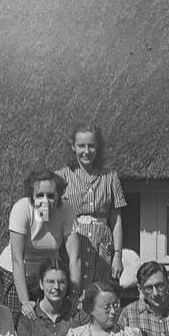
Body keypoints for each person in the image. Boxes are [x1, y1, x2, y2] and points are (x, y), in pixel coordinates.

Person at [56, 124, 127, 294]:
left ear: (98, 147)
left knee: (99, 294)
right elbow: (47, 212)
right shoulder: (62, 176)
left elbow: (116, 219)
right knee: (72, 292)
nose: (86, 151)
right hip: (72, 244)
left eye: (91, 145)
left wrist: (118, 255)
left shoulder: (110, 177)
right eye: (81, 146)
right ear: (73, 146)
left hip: (102, 247)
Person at [7, 170, 82, 321]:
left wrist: (74, 295)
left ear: (59, 196)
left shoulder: (66, 210)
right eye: (40, 195)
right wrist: (25, 302)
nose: (45, 201)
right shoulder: (21, 209)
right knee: (19, 322)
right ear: (32, 196)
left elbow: (75, 257)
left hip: (47, 275)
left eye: (51, 196)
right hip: (18, 273)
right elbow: (17, 258)